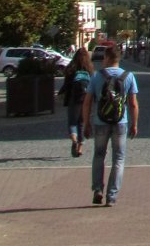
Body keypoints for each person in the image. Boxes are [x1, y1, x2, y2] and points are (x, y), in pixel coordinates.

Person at [83, 42, 140, 206]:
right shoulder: (128, 76)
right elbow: (133, 104)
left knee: (99, 155)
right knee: (119, 159)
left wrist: (86, 123)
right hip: (120, 122)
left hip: (100, 121)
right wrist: (134, 124)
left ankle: (98, 190)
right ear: (119, 59)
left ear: (107, 58)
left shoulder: (96, 76)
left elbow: (87, 102)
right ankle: (112, 196)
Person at [59, 46, 93, 157]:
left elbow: (66, 85)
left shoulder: (71, 69)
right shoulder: (89, 69)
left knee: (72, 123)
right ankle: (80, 148)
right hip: (86, 100)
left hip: (73, 99)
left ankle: (74, 140)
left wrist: (60, 93)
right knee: (81, 123)